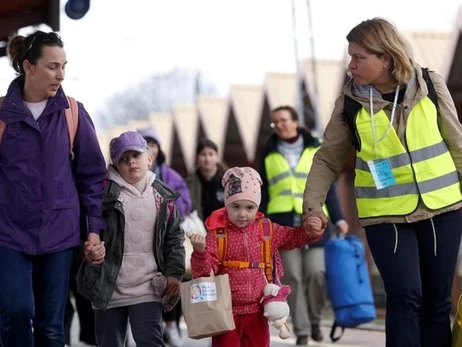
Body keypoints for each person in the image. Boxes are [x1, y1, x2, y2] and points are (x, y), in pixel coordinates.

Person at [302, 18, 462, 347]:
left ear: (385, 58)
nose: (351, 65)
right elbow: (327, 159)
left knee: (437, 302)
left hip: (442, 208)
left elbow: (457, 145)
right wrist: (313, 207)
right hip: (385, 217)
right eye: (350, 57)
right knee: (405, 297)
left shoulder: (430, 84)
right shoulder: (350, 104)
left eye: (358, 57)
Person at [0, 31, 106, 346]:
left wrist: (94, 230)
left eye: (63, 66)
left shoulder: (72, 112)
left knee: (51, 326)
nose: (60, 74)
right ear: (28, 67)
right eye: (52, 66)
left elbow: (91, 176)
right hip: (9, 232)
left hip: (59, 234)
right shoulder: (2, 114)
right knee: (16, 312)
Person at [188, 167, 324, 347]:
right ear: (226, 205)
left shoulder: (267, 230)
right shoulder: (217, 235)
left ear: (257, 206)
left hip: (258, 312)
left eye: (249, 207)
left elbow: (292, 238)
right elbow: (203, 274)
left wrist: (309, 231)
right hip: (226, 313)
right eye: (235, 207)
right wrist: (200, 252)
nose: (242, 214)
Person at [77, 131, 185, 347]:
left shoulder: (163, 198)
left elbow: (174, 238)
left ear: (150, 158)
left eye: (136, 155)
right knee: (110, 342)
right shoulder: (102, 195)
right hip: (108, 286)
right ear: (115, 165)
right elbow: (86, 228)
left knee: (149, 340)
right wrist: (88, 250)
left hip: (148, 286)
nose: (131, 162)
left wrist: (174, 273)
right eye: (124, 159)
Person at [260, 105, 348, 345]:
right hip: (283, 226)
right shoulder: (268, 152)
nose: (279, 125)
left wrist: (339, 217)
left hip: (315, 221)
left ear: (296, 122)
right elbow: (265, 192)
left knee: (317, 273)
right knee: (293, 279)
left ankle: (316, 320)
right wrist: (260, 221)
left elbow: (328, 186)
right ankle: (301, 331)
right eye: (275, 121)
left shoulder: (315, 148)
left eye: (284, 120)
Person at [137, 126, 190, 347]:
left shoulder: (170, 175)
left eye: (154, 144)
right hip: (141, 237)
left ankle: (171, 324)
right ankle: (151, 325)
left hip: (166, 234)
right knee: (146, 282)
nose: (150, 148)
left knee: (172, 277)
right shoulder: (131, 173)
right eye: (145, 144)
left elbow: (185, 200)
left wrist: (166, 209)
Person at [187, 139, 228, 221]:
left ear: (217, 157)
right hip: (201, 228)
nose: (207, 159)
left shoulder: (228, 179)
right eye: (203, 155)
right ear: (197, 157)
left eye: (211, 154)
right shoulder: (190, 183)